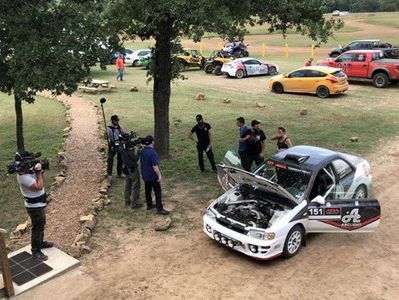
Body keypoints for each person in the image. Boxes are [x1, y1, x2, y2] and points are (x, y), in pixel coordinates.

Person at [16, 152, 53, 261]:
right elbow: (39, 186)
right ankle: (35, 251)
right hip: (34, 206)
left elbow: (43, 180)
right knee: (37, 228)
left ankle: (40, 243)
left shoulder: (29, 171)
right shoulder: (23, 176)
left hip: (40, 203)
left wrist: (40, 171)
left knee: (42, 224)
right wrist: (37, 172)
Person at [140, 136, 169, 215]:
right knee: (157, 191)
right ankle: (159, 208)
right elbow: (155, 166)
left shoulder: (142, 151)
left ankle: (149, 205)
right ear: (152, 142)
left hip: (145, 175)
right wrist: (159, 175)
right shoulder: (153, 153)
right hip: (152, 176)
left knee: (148, 190)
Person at [121, 142, 142, 209]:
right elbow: (135, 158)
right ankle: (134, 204)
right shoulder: (129, 151)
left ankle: (127, 200)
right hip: (132, 170)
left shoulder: (122, 150)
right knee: (135, 185)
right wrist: (138, 150)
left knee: (128, 185)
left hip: (126, 169)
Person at [106, 115, 124, 180]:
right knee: (110, 159)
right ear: (113, 121)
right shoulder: (109, 129)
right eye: (116, 120)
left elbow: (122, 134)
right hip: (112, 145)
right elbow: (108, 138)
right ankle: (109, 174)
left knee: (120, 159)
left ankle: (120, 173)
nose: (117, 121)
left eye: (118, 120)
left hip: (119, 145)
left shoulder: (120, 127)